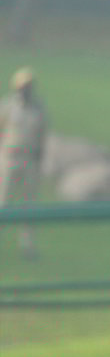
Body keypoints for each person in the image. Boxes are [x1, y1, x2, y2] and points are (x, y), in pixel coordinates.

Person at [0, 68, 48, 260]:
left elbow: (43, 134)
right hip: (10, 158)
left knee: (29, 204)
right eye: (23, 86)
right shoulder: (8, 106)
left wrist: (39, 158)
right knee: (4, 202)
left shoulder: (39, 108)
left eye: (29, 86)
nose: (26, 90)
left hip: (30, 160)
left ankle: (27, 245)